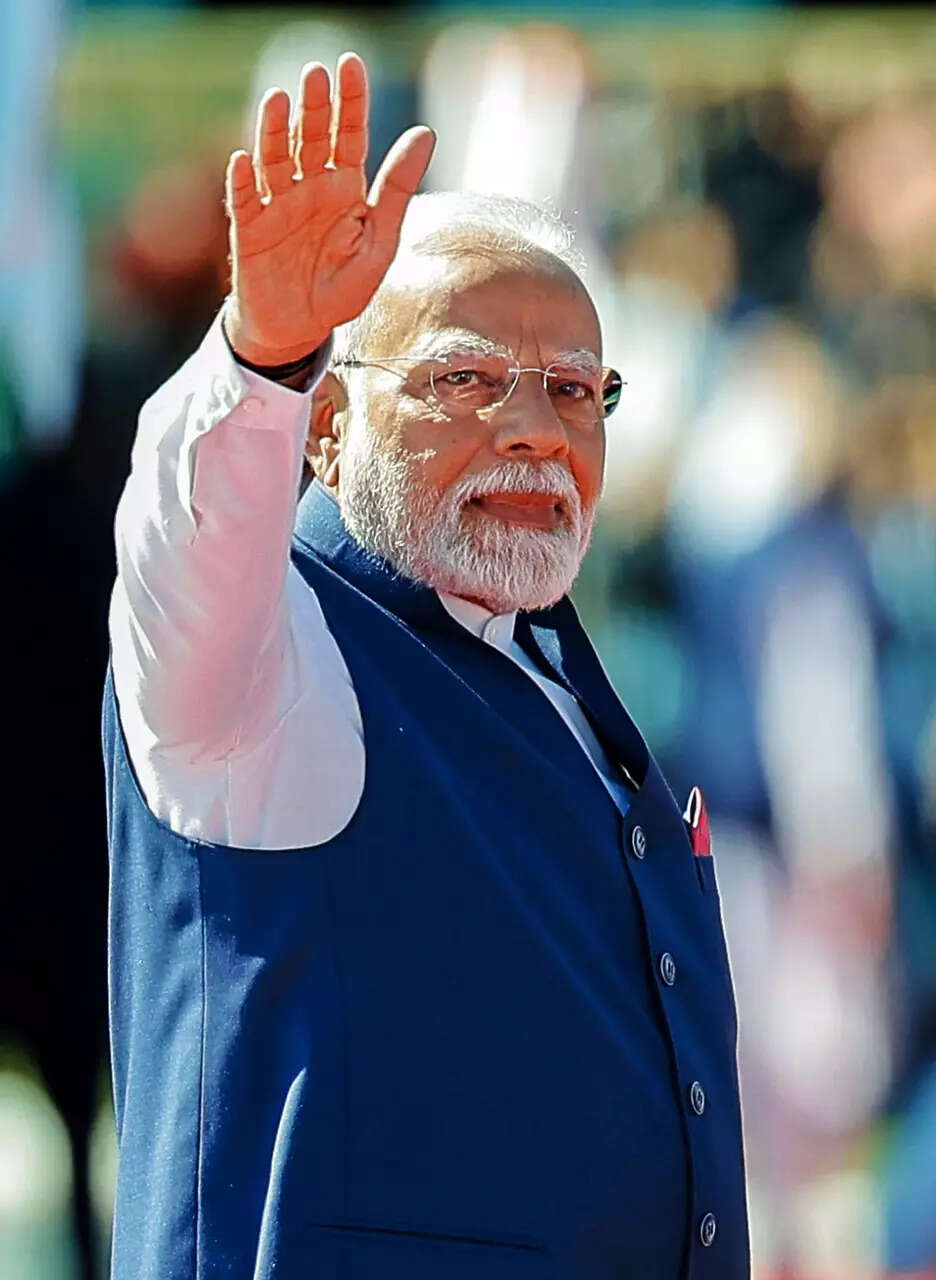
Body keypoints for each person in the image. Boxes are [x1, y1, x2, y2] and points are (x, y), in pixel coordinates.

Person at [103, 55, 746, 1277]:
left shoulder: (545, 664)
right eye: (463, 378)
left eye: (573, 389)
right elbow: (186, 543)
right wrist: (262, 355)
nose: (534, 426)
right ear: (330, 425)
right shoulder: (268, 656)